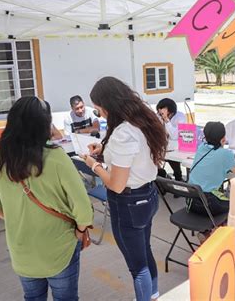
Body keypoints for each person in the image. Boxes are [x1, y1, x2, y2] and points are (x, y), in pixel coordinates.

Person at [0, 96, 94, 301]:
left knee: (32, 297)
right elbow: (83, 209)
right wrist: (80, 230)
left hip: (22, 249)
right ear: (44, 123)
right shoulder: (56, 157)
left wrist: (14, 216)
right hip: (60, 248)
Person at [82, 76, 167, 301]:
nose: (99, 114)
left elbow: (116, 185)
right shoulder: (141, 120)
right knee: (144, 249)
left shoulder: (122, 133)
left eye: (98, 109)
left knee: (137, 266)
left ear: (108, 104)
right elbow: (135, 154)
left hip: (128, 203)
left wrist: (95, 165)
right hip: (147, 196)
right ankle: (154, 293)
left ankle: (145, 297)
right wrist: (103, 148)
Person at [188, 121, 235, 243]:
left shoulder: (201, 148)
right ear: (223, 138)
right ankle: (218, 238)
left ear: (205, 137)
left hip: (191, 202)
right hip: (209, 204)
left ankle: (206, 232)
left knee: (220, 197)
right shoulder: (225, 153)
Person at [156, 98, 187, 181]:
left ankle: (178, 178)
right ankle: (162, 174)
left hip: (174, 148)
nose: (161, 116)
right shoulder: (158, 116)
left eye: (164, 113)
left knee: (173, 160)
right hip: (161, 146)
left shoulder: (180, 117)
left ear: (172, 112)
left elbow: (174, 136)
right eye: (160, 113)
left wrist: (166, 120)